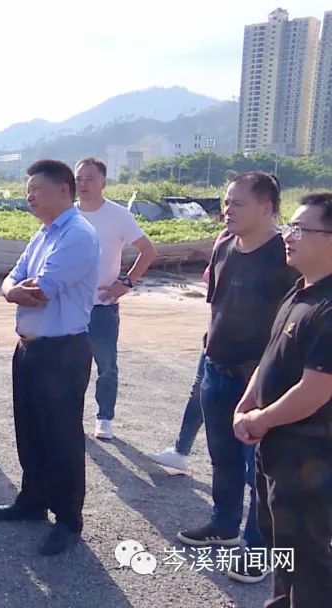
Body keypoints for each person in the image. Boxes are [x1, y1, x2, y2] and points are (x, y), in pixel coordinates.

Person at [176, 172, 298, 585]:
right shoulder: (225, 244)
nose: (227, 210)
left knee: (260, 470)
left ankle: (258, 548)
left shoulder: (286, 257)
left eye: (237, 203)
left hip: (261, 379)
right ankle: (224, 524)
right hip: (217, 369)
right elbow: (217, 303)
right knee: (223, 457)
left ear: (266, 208)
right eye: (226, 202)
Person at [0, 160, 99, 557]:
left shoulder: (77, 235)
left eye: (36, 189)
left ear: (64, 190)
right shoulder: (44, 234)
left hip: (61, 351)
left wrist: (14, 290)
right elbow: (12, 278)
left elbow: (41, 291)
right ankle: (33, 500)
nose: (29, 197)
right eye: (27, 190)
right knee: (30, 428)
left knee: (61, 436)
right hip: (30, 348)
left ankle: (68, 518)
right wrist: (11, 290)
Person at [233, 192, 332, 605]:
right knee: (281, 544)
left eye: (301, 229)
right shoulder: (299, 291)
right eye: (290, 226)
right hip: (277, 446)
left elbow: (315, 390)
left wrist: (261, 419)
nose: (288, 236)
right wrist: (247, 402)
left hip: (309, 454)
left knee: (308, 556)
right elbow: (272, 355)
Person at [74, 158, 157, 441]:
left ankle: (104, 417)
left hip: (102, 306)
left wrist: (126, 283)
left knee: (106, 366)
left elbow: (148, 250)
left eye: (90, 178)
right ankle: (71, 417)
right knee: (71, 367)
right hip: (71, 306)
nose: (83, 184)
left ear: (103, 183)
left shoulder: (118, 216)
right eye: (79, 179)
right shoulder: (68, 214)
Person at [149, 229, 231, 473]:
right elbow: (210, 280)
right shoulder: (227, 239)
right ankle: (181, 450)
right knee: (199, 391)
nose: (228, 212)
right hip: (215, 338)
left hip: (249, 349)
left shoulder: (274, 249)